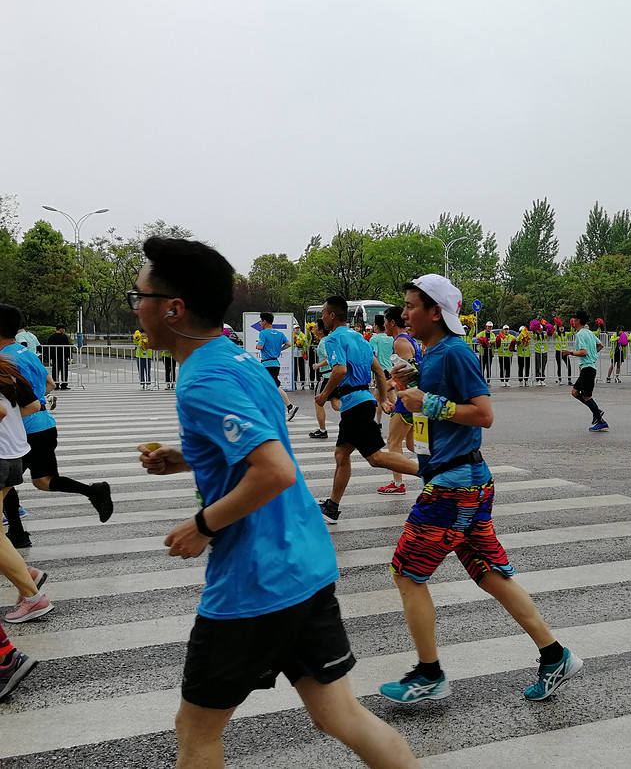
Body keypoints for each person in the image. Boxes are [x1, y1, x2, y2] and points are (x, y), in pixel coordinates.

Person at [130, 236, 418, 769]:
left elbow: (276, 469)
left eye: (138, 295)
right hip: (304, 565)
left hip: (252, 582)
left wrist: (202, 524)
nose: (136, 306)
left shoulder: (203, 379)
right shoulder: (236, 359)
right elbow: (259, 440)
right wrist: (190, 456)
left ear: (172, 308)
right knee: (341, 717)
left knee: (196, 730)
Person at [380, 274, 583, 704]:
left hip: (454, 490)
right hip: (464, 484)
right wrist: (411, 382)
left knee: (407, 573)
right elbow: (435, 398)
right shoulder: (435, 354)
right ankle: (555, 656)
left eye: (412, 305)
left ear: (436, 311)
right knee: (491, 575)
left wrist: (428, 402)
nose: (404, 314)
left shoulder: (455, 352)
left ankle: (429, 674)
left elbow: (484, 414)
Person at [1, 304, 113, 549]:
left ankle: (18, 535)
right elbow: (50, 383)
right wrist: (38, 402)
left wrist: (12, 415)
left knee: (5, 483)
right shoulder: (26, 353)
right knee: (43, 481)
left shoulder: (3, 359)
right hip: (44, 426)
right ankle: (94, 491)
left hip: (23, 430)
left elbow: (26, 403)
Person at [316, 297, 416, 524]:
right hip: (363, 401)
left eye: (323, 313)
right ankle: (332, 506)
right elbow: (380, 372)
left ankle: (431, 474)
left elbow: (339, 370)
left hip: (354, 404)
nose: (322, 317)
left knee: (376, 457)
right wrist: (381, 399)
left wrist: (324, 395)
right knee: (342, 454)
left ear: (332, 315)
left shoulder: (333, 340)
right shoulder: (360, 338)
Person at [0, 356, 53, 624]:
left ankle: (33, 598)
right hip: (14, 455)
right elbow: (33, 404)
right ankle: (26, 575)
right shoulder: (6, 368)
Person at [380, 306, 422, 496]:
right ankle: (437, 474)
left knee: (393, 442)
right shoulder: (408, 339)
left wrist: (391, 384)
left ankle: (398, 484)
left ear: (392, 323)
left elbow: (409, 373)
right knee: (414, 445)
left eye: (385, 323)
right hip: (412, 397)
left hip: (407, 399)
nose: (384, 326)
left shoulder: (400, 342)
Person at [562, 311, 608, 432]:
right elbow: (600, 345)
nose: (572, 321)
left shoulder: (581, 334)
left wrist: (570, 352)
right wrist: (594, 354)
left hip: (588, 368)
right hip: (587, 367)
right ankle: (597, 412)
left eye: (574, 319)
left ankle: (600, 420)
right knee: (575, 392)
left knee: (587, 396)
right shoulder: (589, 332)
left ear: (578, 320)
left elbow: (583, 352)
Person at [255, 312, 297, 421]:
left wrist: (257, 346)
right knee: (268, 386)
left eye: (260, 321)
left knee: (274, 386)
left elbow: (260, 346)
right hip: (275, 363)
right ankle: (270, 408)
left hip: (267, 364)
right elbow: (288, 344)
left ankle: (290, 407)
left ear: (264, 321)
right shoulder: (279, 334)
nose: (260, 323)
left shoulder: (263, 333)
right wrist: (279, 350)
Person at [308, 320, 336, 440]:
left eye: (315, 327)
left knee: (318, 402)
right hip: (333, 376)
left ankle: (322, 430)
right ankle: (356, 413)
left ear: (320, 330)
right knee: (336, 403)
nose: (313, 329)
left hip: (325, 376)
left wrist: (318, 365)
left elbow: (329, 358)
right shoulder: (328, 340)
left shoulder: (324, 342)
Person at [369, 315, 394, 423]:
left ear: (376, 326)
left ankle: (404, 415)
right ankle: (377, 421)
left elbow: (374, 354)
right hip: (390, 369)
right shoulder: (391, 338)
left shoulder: (374, 339)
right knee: (381, 397)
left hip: (381, 371)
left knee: (379, 397)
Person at [44, 325, 73, 390]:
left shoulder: (51, 337)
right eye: (64, 329)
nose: (64, 331)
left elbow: (49, 348)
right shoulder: (64, 337)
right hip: (63, 356)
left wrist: (49, 357)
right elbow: (67, 347)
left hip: (54, 357)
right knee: (64, 370)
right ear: (61, 329)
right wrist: (69, 356)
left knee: (55, 370)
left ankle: (56, 384)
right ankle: (64, 384)